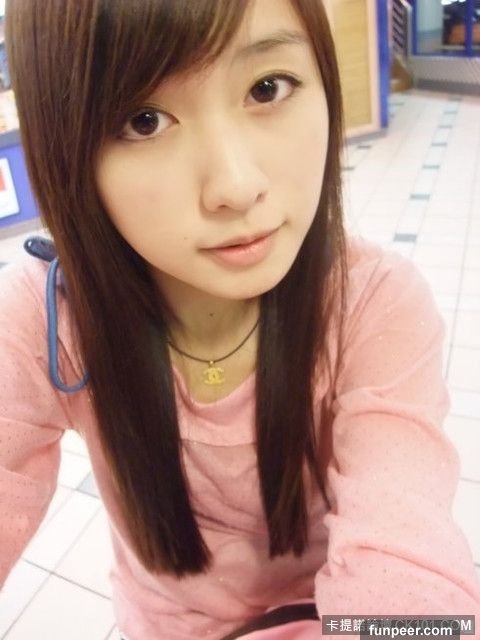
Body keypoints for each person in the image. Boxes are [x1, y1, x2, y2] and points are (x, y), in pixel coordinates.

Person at [1, 0, 479, 638]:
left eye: (267, 88)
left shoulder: (373, 304)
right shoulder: (47, 318)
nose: (235, 185)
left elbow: (406, 565)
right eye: (144, 121)